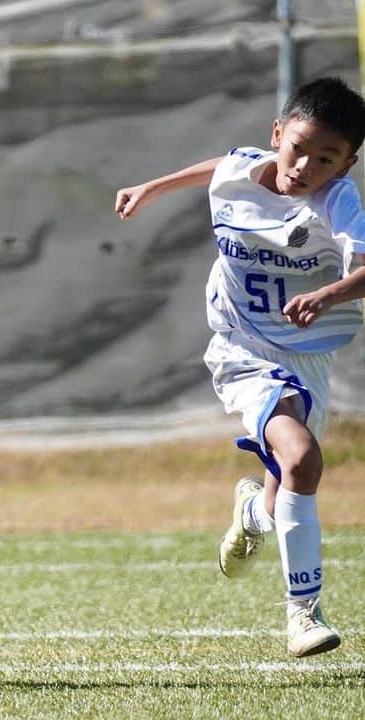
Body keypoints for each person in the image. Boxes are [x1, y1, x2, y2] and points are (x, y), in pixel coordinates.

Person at [114, 77, 365, 657]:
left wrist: (329, 294)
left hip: (309, 356)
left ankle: (253, 508)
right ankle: (303, 613)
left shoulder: (337, 202)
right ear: (277, 134)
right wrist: (152, 186)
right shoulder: (242, 170)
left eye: (325, 158)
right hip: (240, 347)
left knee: (284, 495)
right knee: (303, 456)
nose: (304, 165)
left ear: (347, 164)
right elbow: (221, 165)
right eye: (297, 147)